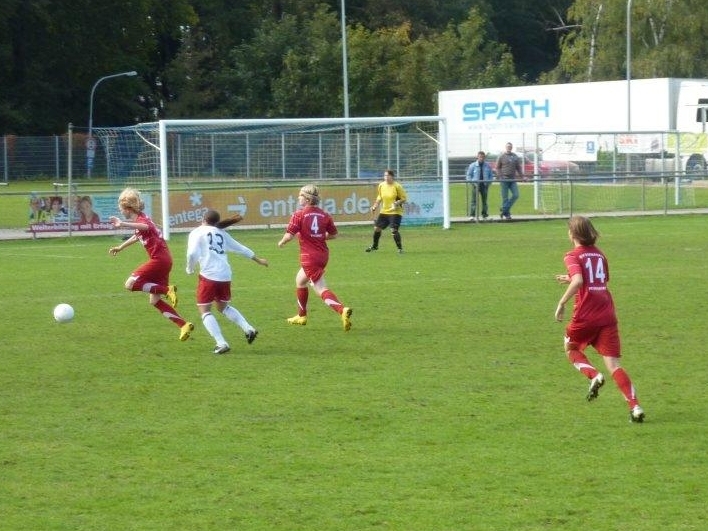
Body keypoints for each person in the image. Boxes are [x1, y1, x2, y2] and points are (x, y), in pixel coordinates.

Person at [554, 215, 645, 423]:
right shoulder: (600, 255)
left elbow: (578, 281)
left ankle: (594, 375)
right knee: (614, 364)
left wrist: (561, 303)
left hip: (586, 315)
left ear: (572, 234)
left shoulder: (572, 256)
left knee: (571, 349)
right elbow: (598, 280)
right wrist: (569, 278)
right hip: (607, 315)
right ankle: (635, 406)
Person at [108, 187, 194, 341]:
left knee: (129, 284)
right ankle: (183, 325)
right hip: (164, 260)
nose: (121, 212)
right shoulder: (141, 219)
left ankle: (167, 289)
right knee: (154, 300)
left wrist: (123, 224)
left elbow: (145, 227)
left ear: (128, 208)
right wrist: (120, 247)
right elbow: (137, 236)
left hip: (159, 261)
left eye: (122, 209)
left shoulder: (142, 220)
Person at [186, 210, 268, 354]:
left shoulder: (197, 232)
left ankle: (221, 343)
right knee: (223, 307)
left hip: (209, 275)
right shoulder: (221, 233)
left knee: (204, 310)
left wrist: (189, 268)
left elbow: (192, 253)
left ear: (203, 219)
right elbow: (241, 248)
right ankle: (248, 328)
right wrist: (258, 260)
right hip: (225, 274)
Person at [277, 184, 352, 331]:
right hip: (322, 255)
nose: (298, 198)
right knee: (300, 280)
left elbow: (289, 235)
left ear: (306, 199)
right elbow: (334, 235)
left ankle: (341, 310)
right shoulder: (325, 215)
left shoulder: (299, 214)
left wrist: (281, 242)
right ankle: (301, 315)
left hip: (309, 257)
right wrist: (318, 237)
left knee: (320, 288)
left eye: (300, 195)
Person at [365, 169, 407, 253]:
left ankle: (400, 249)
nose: (386, 177)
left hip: (395, 212)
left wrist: (396, 203)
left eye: (388, 175)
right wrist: (374, 206)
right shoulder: (381, 185)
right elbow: (379, 197)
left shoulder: (397, 186)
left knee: (393, 230)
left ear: (392, 176)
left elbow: (404, 198)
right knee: (377, 228)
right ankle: (374, 246)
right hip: (384, 212)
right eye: (385, 176)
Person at [495, 142, 523, 220]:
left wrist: (522, 177)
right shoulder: (501, 156)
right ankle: (507, 214)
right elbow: (497, 168)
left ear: (512, 147)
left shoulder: (515, 156)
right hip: (504, 179)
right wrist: (500, 176)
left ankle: (503, 209)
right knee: (505, 198)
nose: (509, 148)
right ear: (505, 147)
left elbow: (519, 168)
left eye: (510, 147)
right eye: (508, 146)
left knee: (516, 195)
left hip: (512, 179)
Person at [465, 151, 494, 220]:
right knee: (473, 201)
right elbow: (468, 175)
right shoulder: (473, 165)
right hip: (475, 185)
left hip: (484, 185)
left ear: (484, 158)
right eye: (480, 157)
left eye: (483, 157)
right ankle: (472, 215)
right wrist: (472, 183)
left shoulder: (488, 166)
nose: (481, 158)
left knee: (484, 201)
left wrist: (488, 183)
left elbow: (491, 176)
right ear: (477, 157)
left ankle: (485, 215)